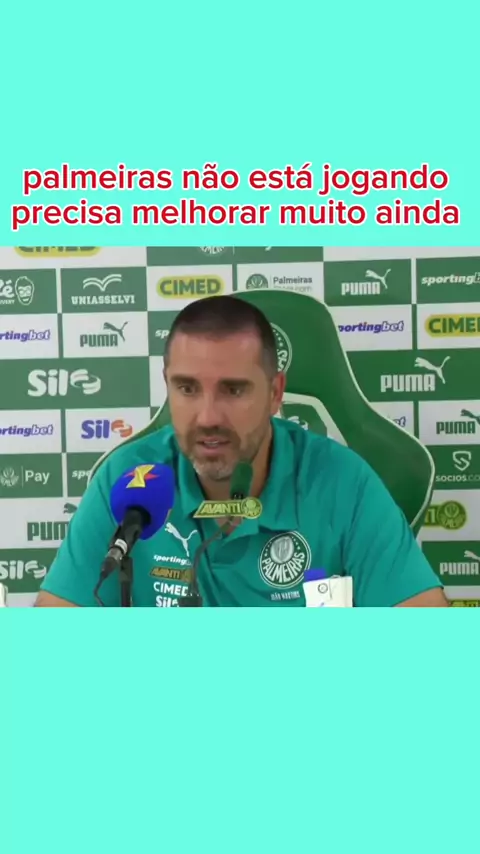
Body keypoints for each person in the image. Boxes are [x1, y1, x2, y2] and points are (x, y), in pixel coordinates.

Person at [35, 295, 449, 608]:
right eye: (187, 388)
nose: (208, 417)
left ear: (275, 393)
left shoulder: (343, 482)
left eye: (233, 390)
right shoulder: (127, 479)